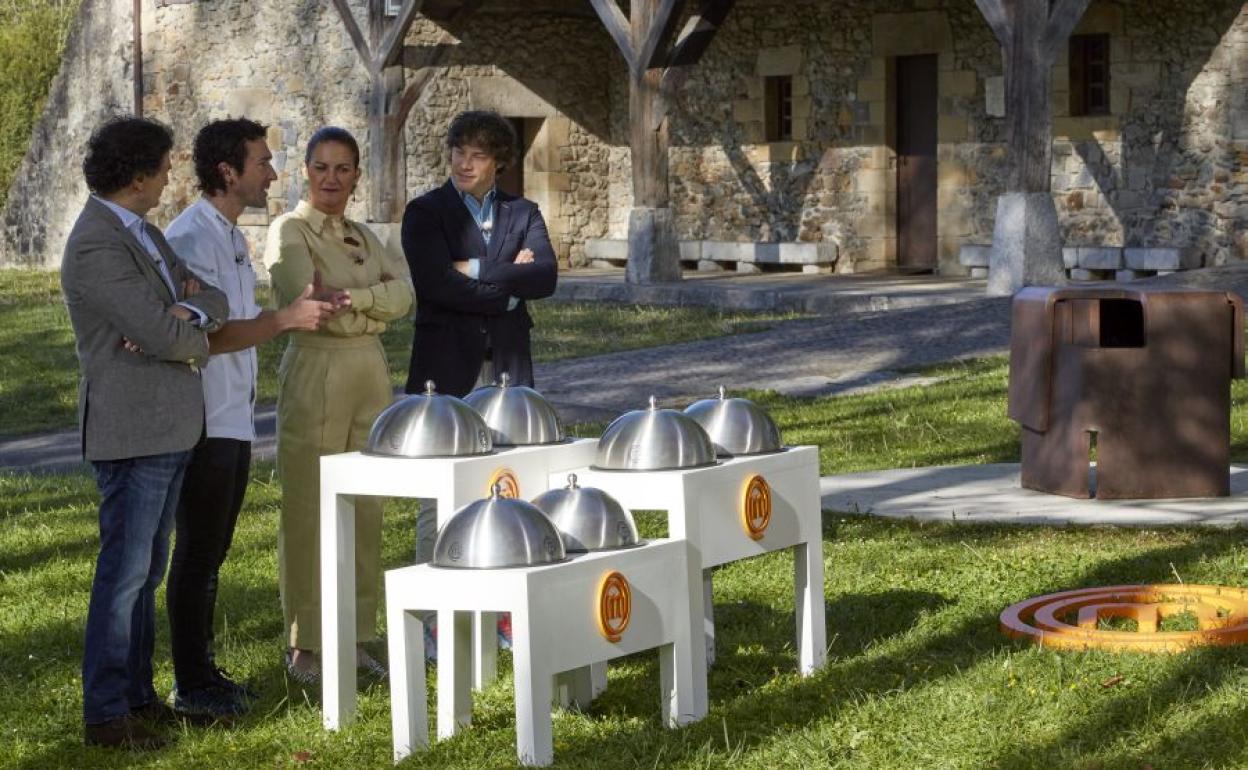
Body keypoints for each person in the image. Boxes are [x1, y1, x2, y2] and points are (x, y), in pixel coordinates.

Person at [61, 115, 229, 749]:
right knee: (124, 575)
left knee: (145, 571)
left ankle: (138, 697)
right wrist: (182, 334)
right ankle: (106, 715)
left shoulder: (145, 233)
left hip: (168, 425)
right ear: (137, 176)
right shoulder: (97, 243)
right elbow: (156, 337)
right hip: (132, 430)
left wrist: (182, 313)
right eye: (163, 168)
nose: (168, 178)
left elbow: (210, 297)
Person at [162, 118, 337, 719]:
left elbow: (237, 316)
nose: (273, 172)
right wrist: (285, 320)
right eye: (262, 162)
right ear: (227, 171)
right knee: (198, 555)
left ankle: (202, 672)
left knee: (211, 554)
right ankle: (191, 684)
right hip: (203, 417)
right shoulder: (192, 238)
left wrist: (289, 308)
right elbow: (206, 335)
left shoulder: (229, 235)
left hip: (232, 416)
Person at [264, 126, 414, 683]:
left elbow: (405, 294)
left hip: (368, 369)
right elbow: (312, 306)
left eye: (343, 169)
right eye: (321, 167)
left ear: (356, 175)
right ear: (306, 170)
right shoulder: (291, 230)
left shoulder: (362, 234)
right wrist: (370, 305)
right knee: (308, 505)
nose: (332, 179)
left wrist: (363, 299)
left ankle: (352, 635)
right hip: (317, 366)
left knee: (364, 505)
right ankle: (306, 643)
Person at [400, 109, 558, 400]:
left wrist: (475, 268)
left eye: (479, 156)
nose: (465, 164)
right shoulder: (424, 212)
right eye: (459, 152)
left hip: (509, 363)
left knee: (514, 445)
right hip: (444, 365)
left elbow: (545, 278)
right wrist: (508, 295)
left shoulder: (525, 212)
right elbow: (436, 284)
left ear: (499, 162)